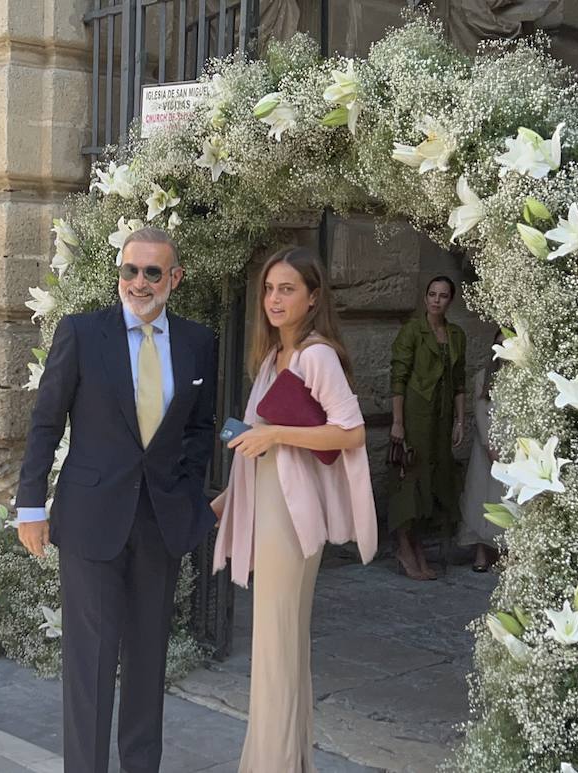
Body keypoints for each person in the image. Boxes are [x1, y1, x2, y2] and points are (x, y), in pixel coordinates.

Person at [15, 227, 217, 773]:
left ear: (174, 278)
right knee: (91, 663)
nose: (140, 282)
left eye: (153, 272)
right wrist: (30, 505)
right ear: (119, 274)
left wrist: (187, 493)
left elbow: (200, 431)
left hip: (160, 523)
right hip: (91, 521)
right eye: (131, 270)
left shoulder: (199, 342)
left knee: (149, 661)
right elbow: (45, 421)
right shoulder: (82, 333)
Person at [211, 247, 376, 772]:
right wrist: (229, 497)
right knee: (279, 646)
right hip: (266, 504)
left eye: (287, 289)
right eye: (269, 289)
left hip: (289, 514)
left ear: (313, 297)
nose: (274, 299)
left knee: (276, 645)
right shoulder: (270, 360)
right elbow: (258, 444)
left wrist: (275, 433)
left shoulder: (316, 355)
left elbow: (351, 432)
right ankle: (286, 762)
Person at [387, 276, 466, 581]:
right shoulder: (412, 331)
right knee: (411, 477)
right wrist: (397, 421)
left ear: (450, 300)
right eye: (432, 294)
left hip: (443, 416)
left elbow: (459, 381)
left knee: (436, 478)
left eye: (443, 296)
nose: (436, 300)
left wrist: (460, 421)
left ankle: (417, 543)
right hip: (416, 414)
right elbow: (398, 377)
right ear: (425, 298)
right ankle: (404, 545)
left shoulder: (457, 335)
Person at [457, 330, 506, 572]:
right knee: (481, 497)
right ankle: (480, 551)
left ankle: (503, 551)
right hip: (486, 446)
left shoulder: (522, 378)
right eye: (499, 345)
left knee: (504, 500)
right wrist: (489, 446)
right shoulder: (483, 377)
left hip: (512, 446)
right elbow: (480, 412)